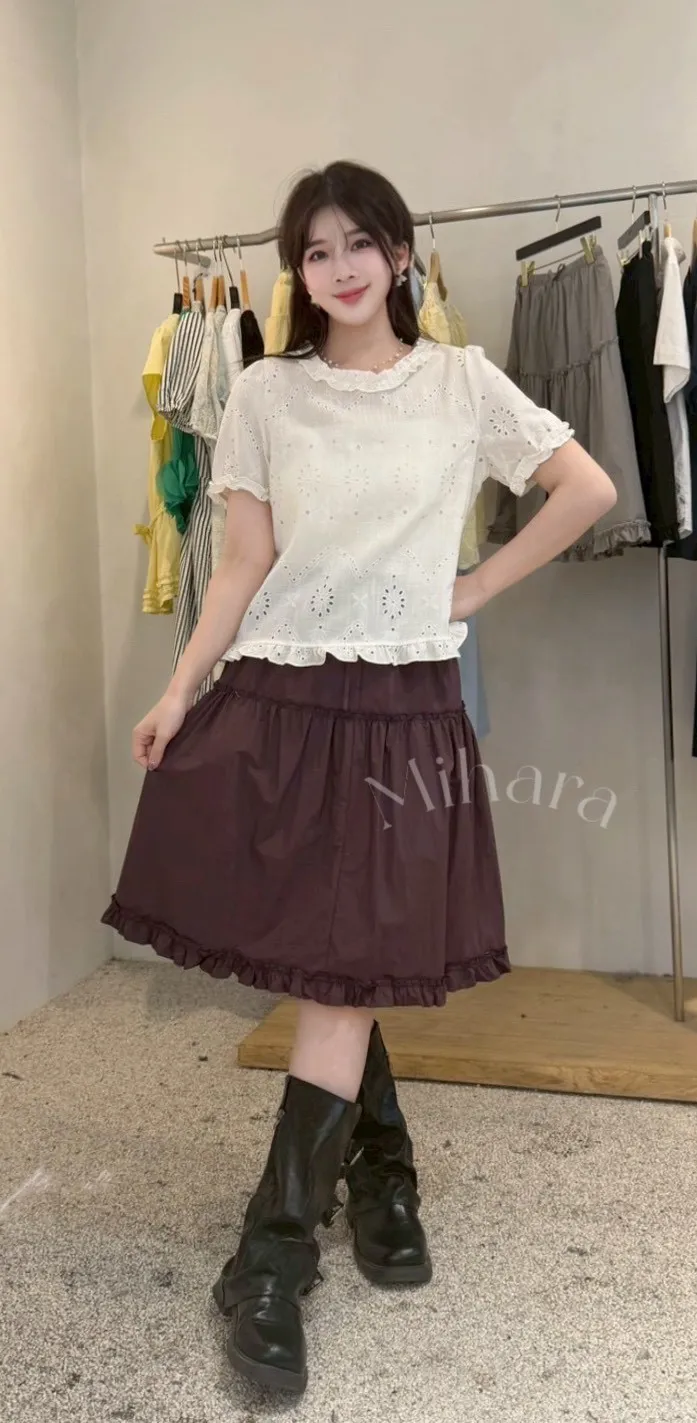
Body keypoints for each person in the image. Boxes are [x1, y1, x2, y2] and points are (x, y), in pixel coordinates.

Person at [103, 160, 617, 1395]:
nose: (338, 267)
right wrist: (178, 689)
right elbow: (242, 562)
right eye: (315, 249)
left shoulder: (458, 380)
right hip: (280, 696)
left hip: (398, 707)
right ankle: (382, 1170)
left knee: (344, 957)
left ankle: (269, 1255)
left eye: (358, 243)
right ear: (298, 269)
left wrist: (472, 587)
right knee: (322, 950)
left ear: (396, 252)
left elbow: (587, 487)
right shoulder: (266, 391)